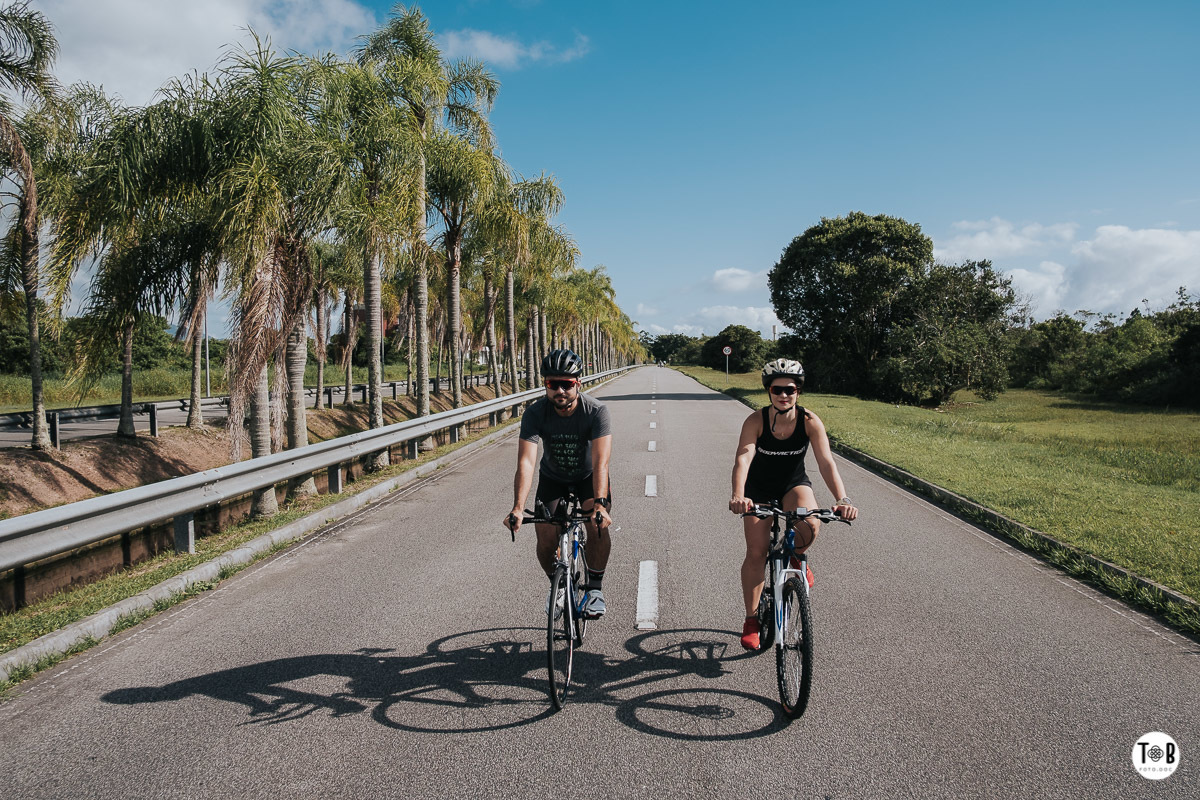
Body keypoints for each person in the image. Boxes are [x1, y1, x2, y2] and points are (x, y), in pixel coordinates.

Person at [728, 358, 859, 650]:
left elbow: (826, 462)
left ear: (798, 391)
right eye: (777, 390)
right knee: (756, 552)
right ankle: (751, 619)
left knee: (810, 522)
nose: (783, 395)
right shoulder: (756, 420)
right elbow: (743, 458)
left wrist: (842, 499)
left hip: (793, 483)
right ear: (768, 391)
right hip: (757, 488)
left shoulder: (810, 421)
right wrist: (739, 495)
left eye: (790, 389)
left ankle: (797, 557)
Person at [505, 348, 614, 619]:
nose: (560, 391)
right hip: (553, 478)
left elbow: (601, 462)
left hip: (589, 478)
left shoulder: (596, 411)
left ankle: (595, 589)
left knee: (596, 524)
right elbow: (527, 463)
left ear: (578, 383)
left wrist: (600, 505)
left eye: (567, 384)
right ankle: (558, 584)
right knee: (544, 534)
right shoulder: (535, 413)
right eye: (554, 384)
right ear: (546, 385)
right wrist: (518, 507)